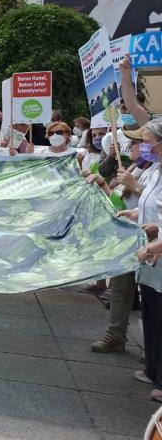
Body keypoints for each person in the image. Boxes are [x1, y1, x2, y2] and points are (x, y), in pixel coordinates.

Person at [88, 126, 154, 351]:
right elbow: (118, 201)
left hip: (150, 241)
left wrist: (135, 187)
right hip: (125, 237)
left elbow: (153, 203)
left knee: (150, 295)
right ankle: (115, 334)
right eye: (136, 142)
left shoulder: (155, 171)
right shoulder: (135, 167)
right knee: (121, 289)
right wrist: (103, 185)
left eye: (139, 142)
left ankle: (152, 348)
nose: (133, 147)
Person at [113, 123, 162, 401]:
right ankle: (154, 369)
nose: (144, 147)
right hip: (152, 260)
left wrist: (152, 246)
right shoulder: (155, 170)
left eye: (147, 142)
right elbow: (150, 207)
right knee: (152, 317)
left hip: (157, 255)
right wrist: (135, 216)